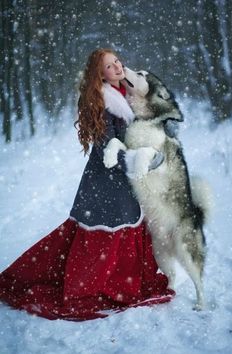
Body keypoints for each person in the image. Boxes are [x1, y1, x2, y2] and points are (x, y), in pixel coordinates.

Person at [0, 48, 175, 321]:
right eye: (109, 65)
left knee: (128, 227)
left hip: (124, 181)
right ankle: (96, 286)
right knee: (106, 234)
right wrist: (141, 161)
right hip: (105, 182)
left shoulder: (127, 95)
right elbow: (109, 151)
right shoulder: (101, 102)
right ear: (99, 74)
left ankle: (122, 282)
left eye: (117, 61)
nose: (117, 67)